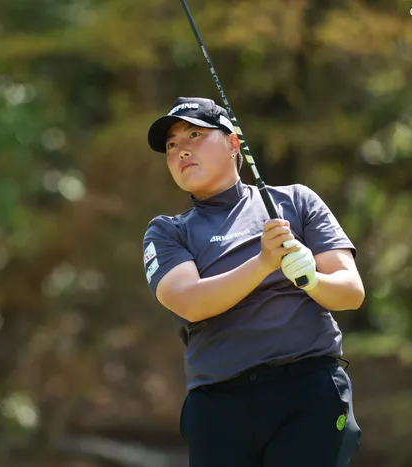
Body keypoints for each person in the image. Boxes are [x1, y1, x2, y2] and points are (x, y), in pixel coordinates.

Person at [142, 97, 365, 467]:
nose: (181, 151)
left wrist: (310, 278)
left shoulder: (296, 201)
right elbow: (191, 302)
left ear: (233, 144)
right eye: (171, 144)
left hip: (309, 392)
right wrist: (264, 263)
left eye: (195, 135)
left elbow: (351, 292)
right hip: (219, 406)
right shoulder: (167, 231)